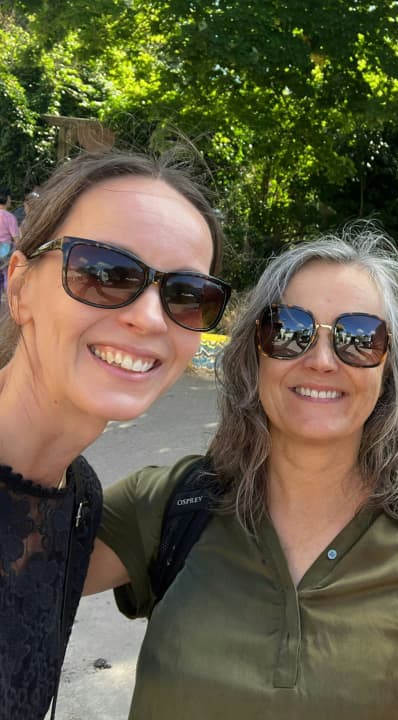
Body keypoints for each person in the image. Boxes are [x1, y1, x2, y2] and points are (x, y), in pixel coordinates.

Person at [84, 225, 398, 719]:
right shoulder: (166, 505)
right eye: (289, 329)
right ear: (254, 352)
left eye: (359, 337)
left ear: (389, 368)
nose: (321, 361)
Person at [0, 152, 231, 720]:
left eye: (186, 295)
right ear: (20, 285)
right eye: (104, 273)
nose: (150, 318)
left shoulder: (77, 500)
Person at [0, 188, 20, 296]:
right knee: (8, 275)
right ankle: (9, 298)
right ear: (7, 198)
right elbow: (16, 239)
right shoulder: (9, 217)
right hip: (5, 251)